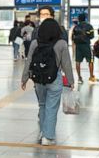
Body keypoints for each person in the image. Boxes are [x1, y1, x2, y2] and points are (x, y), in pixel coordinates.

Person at [22, 18, 75, 146]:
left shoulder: (35, 43)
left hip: (38, 79)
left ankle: (43, 132)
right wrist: (71, 80)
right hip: (54, 78)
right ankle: (48, 137)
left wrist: (24, 79)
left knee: (42, 105)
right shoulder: (62, 44)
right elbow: (66, 64)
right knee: (51, 107)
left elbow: (28, 61)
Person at [70, 13, 97, 84]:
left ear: (79, 19)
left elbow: (73, 37)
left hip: (78, 46)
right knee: (90, 61)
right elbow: (92, 36)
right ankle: (91, 77)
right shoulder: (89, 26)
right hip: (86, 45)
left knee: (78, 61)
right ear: (85, 18)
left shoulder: (76, 27)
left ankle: (79, 78)